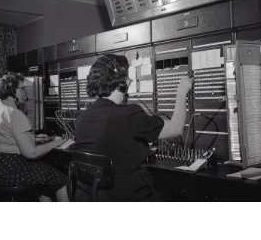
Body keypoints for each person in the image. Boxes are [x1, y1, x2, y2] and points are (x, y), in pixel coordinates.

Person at [75, 54, 192, 201]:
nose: (130, 80)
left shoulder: (82, 118)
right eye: (127, 77)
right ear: (122, 83)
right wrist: (182, 92)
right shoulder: (129, 114)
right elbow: (175, 128)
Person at [0, 72, 69, 201]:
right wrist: (57, 142)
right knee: (61, 178)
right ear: (11, 91)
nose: (26, 94)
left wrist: (34, 139)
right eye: (22, 89)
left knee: (44, 181)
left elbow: (5, 139)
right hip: (10, 170)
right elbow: (31, 153)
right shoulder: (15, 114)